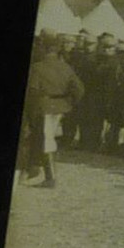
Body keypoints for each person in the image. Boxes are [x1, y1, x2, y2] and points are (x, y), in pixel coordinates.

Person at [21, 35, 86, 188]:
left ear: (44, 48)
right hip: (61, 107)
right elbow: (79, 89)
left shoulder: (37, 67)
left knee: (46, 140)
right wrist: (69, 103)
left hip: (43, 107)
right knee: (46, 138)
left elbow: (32, 91)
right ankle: (34, 169)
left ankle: (50, 178)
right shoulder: (66, 67)